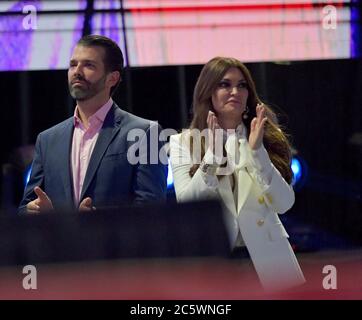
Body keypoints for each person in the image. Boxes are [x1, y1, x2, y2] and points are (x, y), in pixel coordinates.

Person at [169, 57, 305, 291]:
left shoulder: (267, 138)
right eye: (224, 84)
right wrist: (212, 156)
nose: (235, 91)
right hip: (216, 263)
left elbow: (284, 203)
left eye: (242, 85)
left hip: (270, 261)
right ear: (207, 91)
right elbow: (187, 204)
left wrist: (257, 153)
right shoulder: (182, 142)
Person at [19, 34, 167, 214]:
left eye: (89, 65)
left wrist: (98, 223)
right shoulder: (48, 139)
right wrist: (36, 212)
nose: (77, 72)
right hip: (59, 242)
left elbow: (152, 211)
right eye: (73, 64)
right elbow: (25, 207)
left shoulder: (146, 133)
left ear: (112, 78)